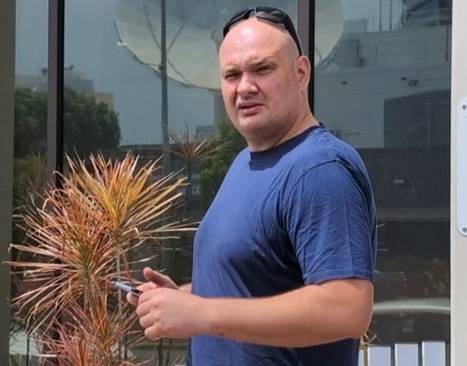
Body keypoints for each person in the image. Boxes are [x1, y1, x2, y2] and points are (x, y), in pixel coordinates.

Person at [128, 6, 377, 366]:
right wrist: (181, 299)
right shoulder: (244, 163)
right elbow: (253, 282)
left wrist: (204, 314)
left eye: (262, 68)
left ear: (301, 72)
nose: (245, 87)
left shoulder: (320, 169)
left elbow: (346, 308)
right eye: (232, 74)